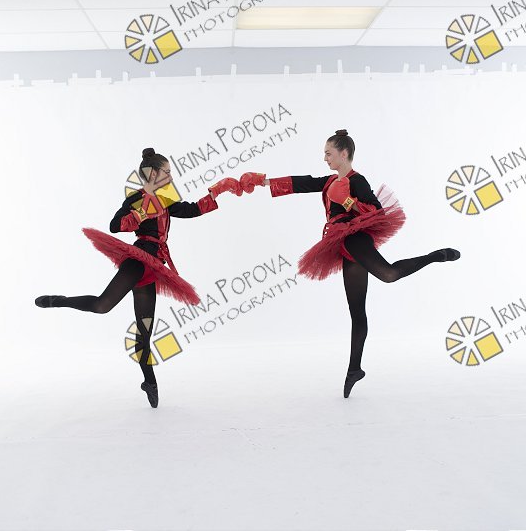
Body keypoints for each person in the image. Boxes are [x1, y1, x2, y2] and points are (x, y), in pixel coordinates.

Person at [240, 129, 461, 398]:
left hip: (355, 237)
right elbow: (303, 182)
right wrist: (263, 181)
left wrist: (347, 200)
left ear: (344, 153)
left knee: (389, 274)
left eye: (328, 153)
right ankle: (354, 369)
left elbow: (377, 211)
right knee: (357, 312)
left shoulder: (358, 181)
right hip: (341, 244)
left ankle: (435, 255)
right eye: (324, 154)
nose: (325, 158)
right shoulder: (329, 181)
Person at [35, 147, 242, 408]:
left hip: (154, 267)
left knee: (144, 332)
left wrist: (217, 191)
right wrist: (142, 212)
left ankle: (149, 382)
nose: (171, 176)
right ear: (153, 173)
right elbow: (115, 225)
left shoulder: (166, 199)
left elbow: (191, 210)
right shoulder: (136, 199)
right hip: (138, 261)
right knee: (102, 306)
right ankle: (59, 301)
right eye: (167, 171)